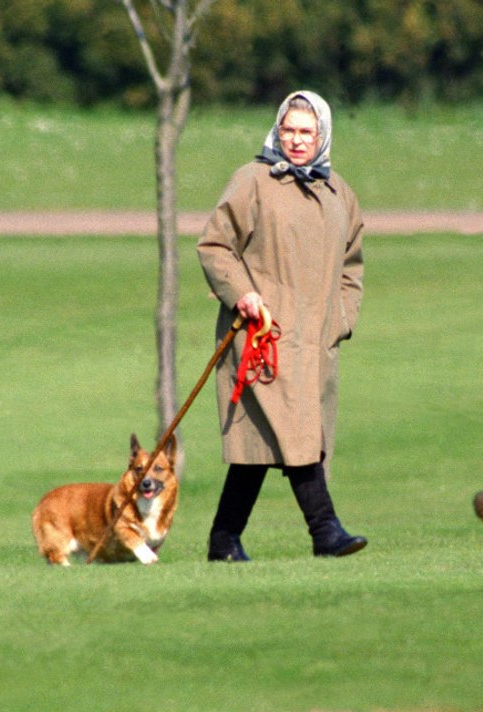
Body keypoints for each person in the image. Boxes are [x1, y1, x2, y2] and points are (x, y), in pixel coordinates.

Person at [196, 90, 367, 561]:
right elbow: (214, 246)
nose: (296, 140)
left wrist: (342, 320)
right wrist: (241, 294)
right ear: (277, 129)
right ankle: (325, 532)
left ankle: (223, 540)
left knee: (263, 446)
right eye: (288, 129)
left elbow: (352, 266)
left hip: (316, 344)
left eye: (305, 132)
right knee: (298, 434)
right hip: (260, 340)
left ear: (322, 135)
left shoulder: (340, 195)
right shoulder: (251, 181)